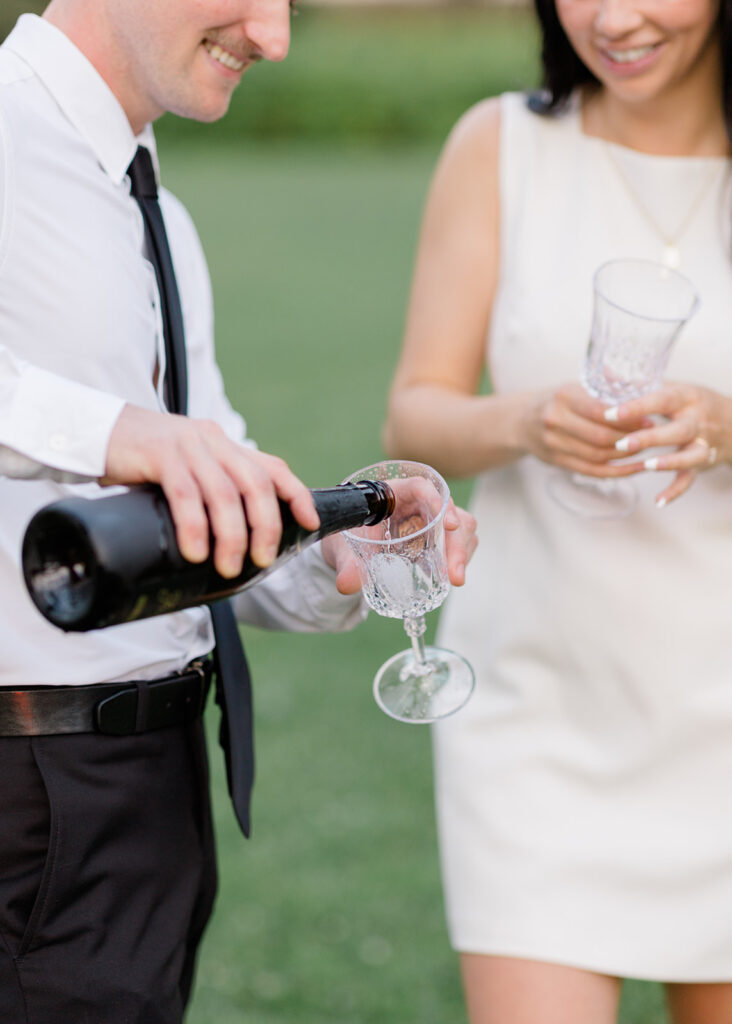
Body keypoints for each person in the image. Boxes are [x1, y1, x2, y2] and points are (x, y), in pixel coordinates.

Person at [0, 3, 478, 1021]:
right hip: (26, 786)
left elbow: (205, 521)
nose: (275, 36)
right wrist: (114, 433)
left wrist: (337, 542)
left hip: (151, 791)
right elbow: (131, 440)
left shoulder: (154, 208)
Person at [382, 0, 732, 1021]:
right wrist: (526, 419)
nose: (613, 18)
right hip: (535, 715)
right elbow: (419, 406)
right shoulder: (501, 145)